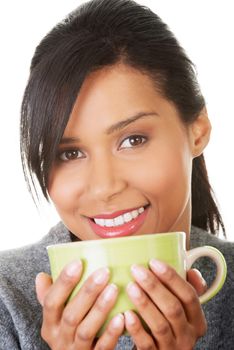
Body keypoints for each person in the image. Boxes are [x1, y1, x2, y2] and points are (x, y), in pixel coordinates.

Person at [0, 0, 233, 348]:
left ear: (197, 130)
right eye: (70, 153)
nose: (105, 187)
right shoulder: (8, 300)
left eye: (133, 139)